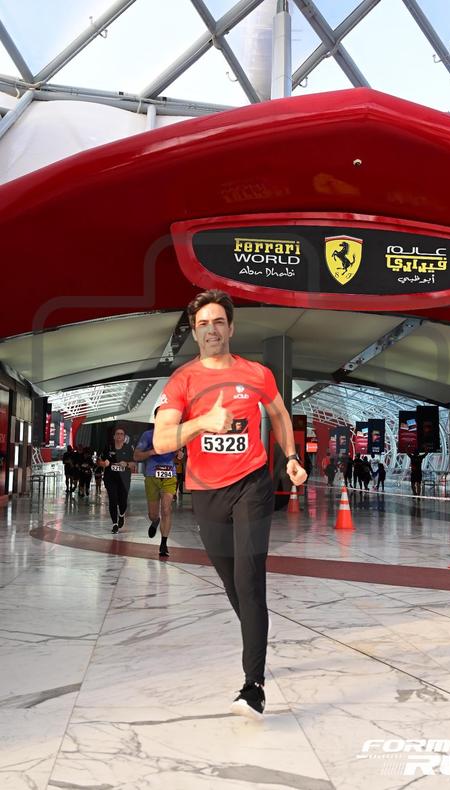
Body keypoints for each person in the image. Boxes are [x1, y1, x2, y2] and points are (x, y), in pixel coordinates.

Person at [153, 289, 306, 720]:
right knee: (232, 583)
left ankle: (253, 684)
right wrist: (203, 422)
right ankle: (256, 636)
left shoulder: (257, 373)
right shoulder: (182, 381)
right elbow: (162, 440)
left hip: (252, 484)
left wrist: (291, 456)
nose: (211, 329)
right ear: (195, 332)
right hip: (206, 493)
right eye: (203, 324)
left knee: (249, 578)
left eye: (218, 321)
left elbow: (278, 413)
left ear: (231, 328)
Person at [134, 412, 178, 557]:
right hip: (152, 476)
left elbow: (181, 453)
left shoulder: (175, 434)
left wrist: (180, 455)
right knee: (153, 514)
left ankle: (164, 543)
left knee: (166, 509)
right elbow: (136, 456)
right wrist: (152, 452)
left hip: (169, 476)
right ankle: (155, 521)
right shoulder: (148, 435)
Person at [98, 427, 135, 534]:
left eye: (121, 434)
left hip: (124, 479)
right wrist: (104, 463)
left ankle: (121, 515)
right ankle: (114, 524)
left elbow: (134, 464)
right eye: (117, 434)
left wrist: (126, 464)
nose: (119, 436)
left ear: (124, 437)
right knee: (113, 499)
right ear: (114, 436)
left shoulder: (129, 448)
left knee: (123, 501)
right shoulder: (108, 447)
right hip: (110, 478)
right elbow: (99, 461)